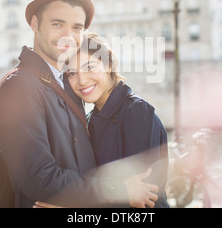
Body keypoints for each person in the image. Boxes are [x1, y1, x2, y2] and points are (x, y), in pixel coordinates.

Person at [0, 0, 159, 208]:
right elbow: (38, 177)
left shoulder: (64, 85)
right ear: (35, 24)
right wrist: (116, 190)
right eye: (58, 24)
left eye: (77, 27)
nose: (68, 36)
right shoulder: (20, 87)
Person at [65, 32, 170, 208]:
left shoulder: (136, 112)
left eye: (89, 67)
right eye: (71, 74)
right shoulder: (91, 119)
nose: (82, 80)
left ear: (109, 65)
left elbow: (142, 198)